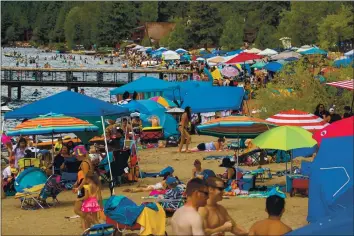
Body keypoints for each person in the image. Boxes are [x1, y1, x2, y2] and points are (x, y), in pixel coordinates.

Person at [72, 145, 94, 230]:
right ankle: (87, 228)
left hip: (84, 188)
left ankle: (95, 223)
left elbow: (86, 178)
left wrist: (78, 187)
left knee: (77, 210)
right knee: (84, 209)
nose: (75, 156)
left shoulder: (84, 163)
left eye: (76, 154)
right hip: (86, 187)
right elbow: (83, 176)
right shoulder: (86, 161)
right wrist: (76, 183)